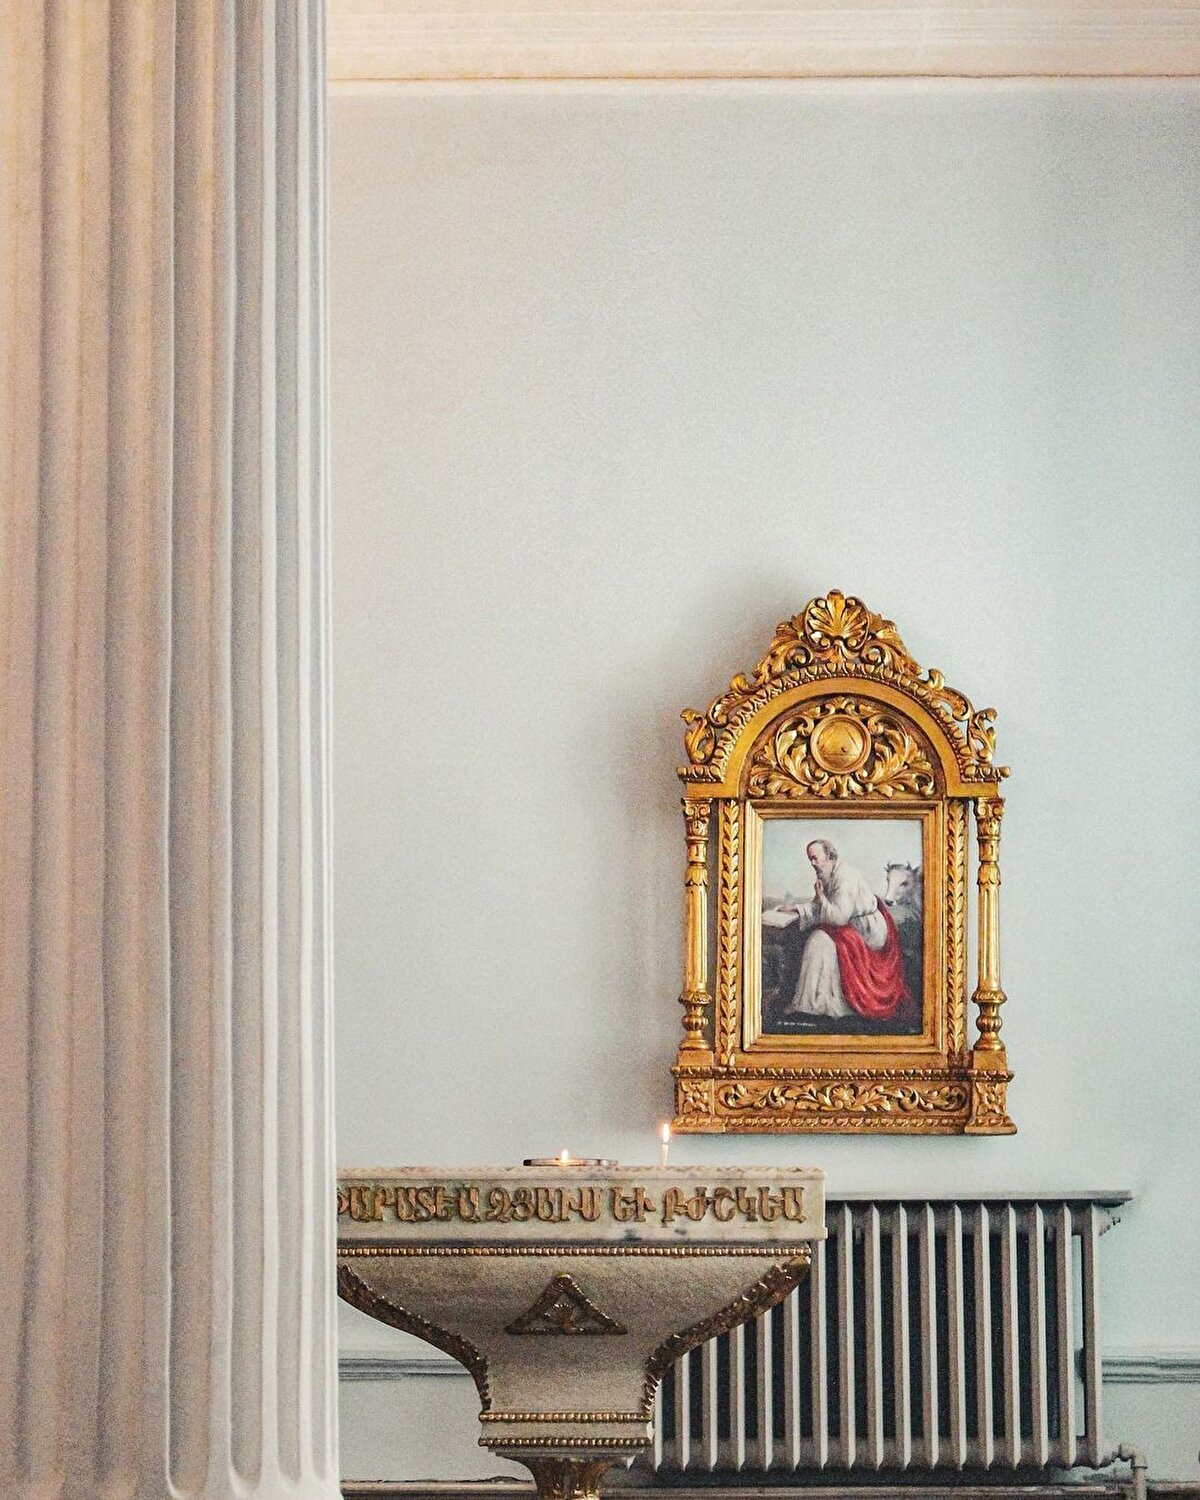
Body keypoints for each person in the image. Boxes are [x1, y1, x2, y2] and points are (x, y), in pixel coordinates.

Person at [779, 839, 912, 1022]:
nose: (812, 863)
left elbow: (838, 917)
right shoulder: (827, 873)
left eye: (815, 858)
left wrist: (821, 898)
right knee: (817, 938)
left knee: (819, 940)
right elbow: (824, 908)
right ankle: (814, 1001)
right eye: (810, 859)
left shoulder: (845, 877)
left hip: (868, 932)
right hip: (851, 925)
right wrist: (795, 909)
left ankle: (817, 1002)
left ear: (830, 856)